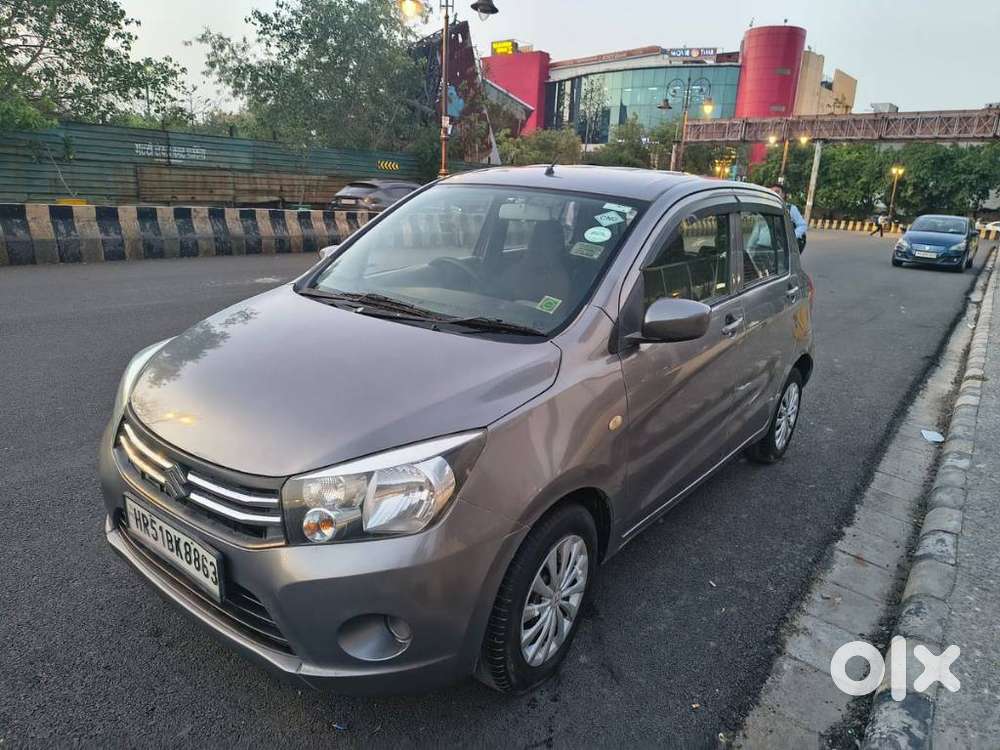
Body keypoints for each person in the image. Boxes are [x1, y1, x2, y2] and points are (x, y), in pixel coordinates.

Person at [771, 184, 807, 252]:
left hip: (787, 247)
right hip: (771, 246)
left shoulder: (791, 209)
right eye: (771, 192)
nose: (774, 194)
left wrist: (791, 238)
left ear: (783, 194)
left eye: (777, 192)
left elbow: (802, 225)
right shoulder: (768, 208)